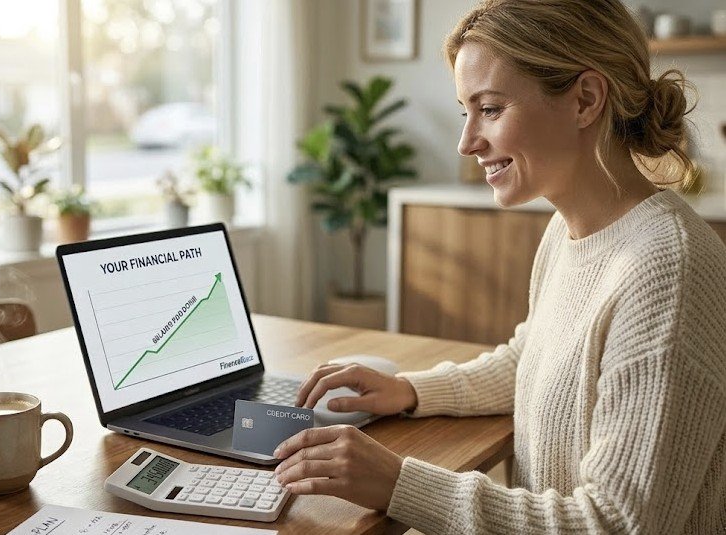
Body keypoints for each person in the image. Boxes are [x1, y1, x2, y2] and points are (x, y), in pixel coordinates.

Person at [272, 0, 726, 532]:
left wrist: (400, 483)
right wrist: (412, 390)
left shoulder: (665, 270)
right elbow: (533, 360)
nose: (466, 142)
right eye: (467, 111)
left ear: (585, 99)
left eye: (490, 109)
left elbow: (616, 523)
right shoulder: (570, 229)